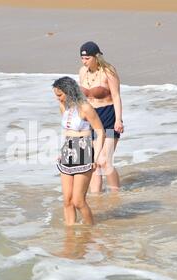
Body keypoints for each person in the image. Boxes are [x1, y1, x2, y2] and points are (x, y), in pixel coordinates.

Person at [53, 76, 105, 226]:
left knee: (78, 201)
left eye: (60, 95)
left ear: (69, 92)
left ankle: (90, 231)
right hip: (67, 151)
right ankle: (70, 235)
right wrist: (62, 150)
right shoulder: (64, 106)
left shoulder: (85, 107)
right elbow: (67, 130)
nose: (58, 99)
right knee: (67, 200)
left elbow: (100, 132)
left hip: (84, 151)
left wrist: (95, 157)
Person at [78, 41, 124, 193]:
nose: (84, 62)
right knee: (94, 162)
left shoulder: (108, 71)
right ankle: (96, 196)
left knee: (105, 160)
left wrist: (118, 119)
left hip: (109, 118)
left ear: (96, 57)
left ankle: (116, 194)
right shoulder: (82, 72)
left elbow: (116, 96)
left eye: (87, 58)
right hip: (91, 119)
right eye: (82, 58)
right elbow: (81, 99)